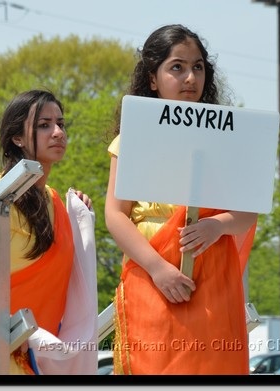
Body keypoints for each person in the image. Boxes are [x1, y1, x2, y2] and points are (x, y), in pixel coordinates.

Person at [105, 24, 258, 375]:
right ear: (153, 78)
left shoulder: (226, 138)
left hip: (214, 282)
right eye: (177, 67)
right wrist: (159, 270)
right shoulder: (134, 137)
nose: (190, 78)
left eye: (198, 67)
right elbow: (115, 215)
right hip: (151, 278)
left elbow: (247, 213)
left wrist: (215, 225)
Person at [0, 89, 98, 375]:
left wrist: (79, 219)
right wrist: (8, 324)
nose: (58, 133)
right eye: (44, 125)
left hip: (30, 346)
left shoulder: (56, 203)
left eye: (61, 124)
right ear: (18, 138)